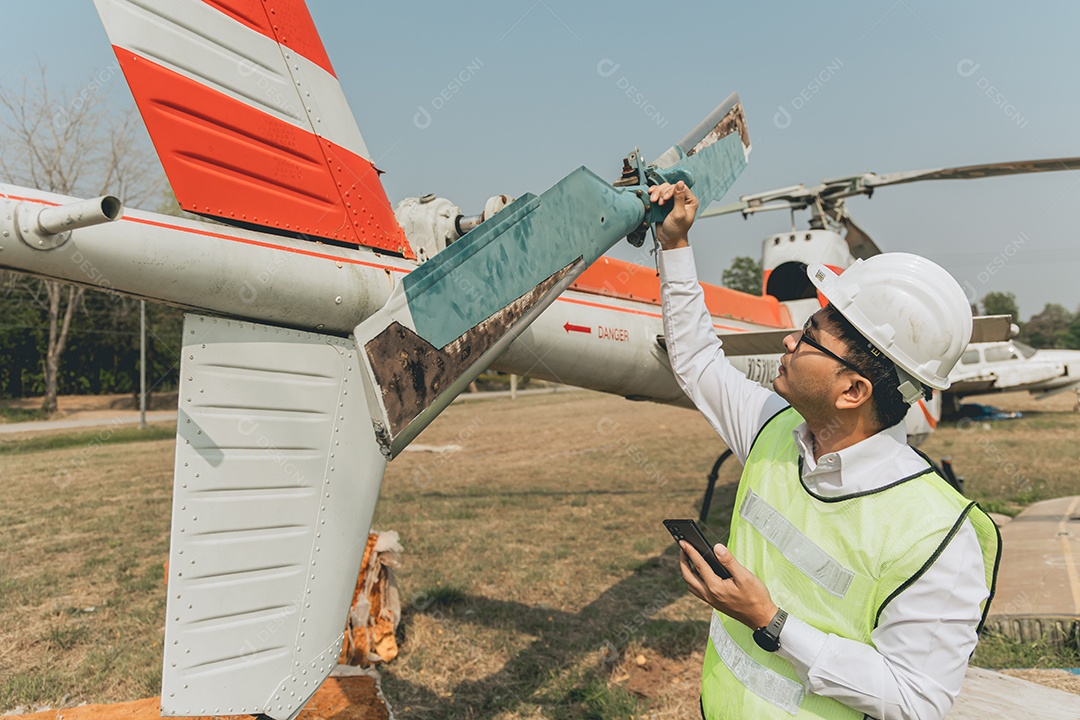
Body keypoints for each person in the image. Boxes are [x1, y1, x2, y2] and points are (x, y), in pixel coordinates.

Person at [650, 181, 1000, 720]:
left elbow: (916, 700)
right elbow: (697, 361)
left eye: (809, 337)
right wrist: (674, 245)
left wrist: (769, 620)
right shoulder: (773, 429)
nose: (788, 342)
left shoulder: (938, 535)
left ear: (853, 390)